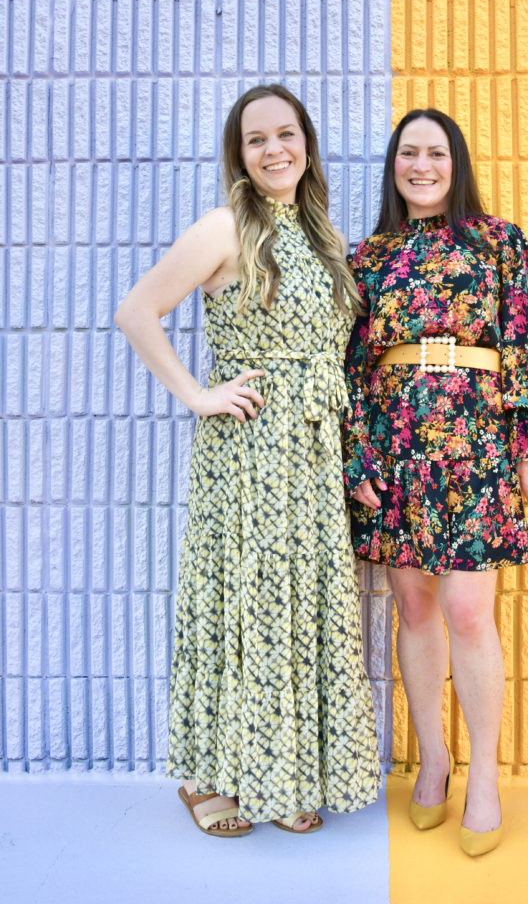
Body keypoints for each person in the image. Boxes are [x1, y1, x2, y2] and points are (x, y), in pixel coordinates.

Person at [115, 84, 381, 837]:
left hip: (311, 453)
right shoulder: (222, 226)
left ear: (306, 144)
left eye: (286, 134)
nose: (274, 149)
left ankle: (282, 771)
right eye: (256, 138)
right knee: (243, 603)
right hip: (251, 453)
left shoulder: (319, 234)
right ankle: (206, 779)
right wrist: (197, 394)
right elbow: (137, 312)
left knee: (300, 610)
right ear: (239, 154)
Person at [344, 108, 528, 856]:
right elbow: (350, 366)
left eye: (435, 152)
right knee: (411, 602)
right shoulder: (367, 257)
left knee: (468, 610)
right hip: (398, 436)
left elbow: (526, 336)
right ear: (393, 165)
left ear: (455, 161)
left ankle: (483, 775)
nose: (422, 165)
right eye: (408, 153)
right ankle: (432, 757)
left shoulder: (497, 241)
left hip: (472, 436)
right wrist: (357, 453)